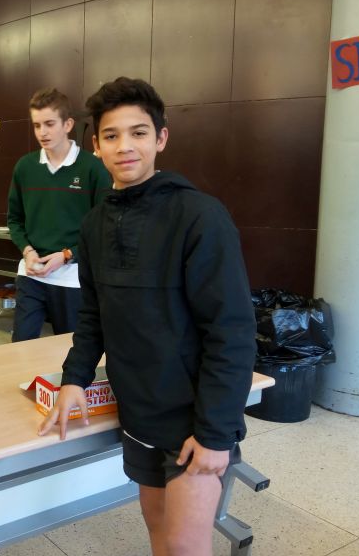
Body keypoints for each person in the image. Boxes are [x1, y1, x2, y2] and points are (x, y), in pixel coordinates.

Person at [38, 77, 257, 556]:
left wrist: (216, 432)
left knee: (185, 546)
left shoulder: (199, 216)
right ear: (96, 146)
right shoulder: (95, 224)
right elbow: (92, 313)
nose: (125, 146)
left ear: (161, 138)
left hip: (193, 418)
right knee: (158, 530)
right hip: (138, 411)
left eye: (138, 133)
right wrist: (74, 379)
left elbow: (232, 331)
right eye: (111, 135)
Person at [7, 88, 111, 342]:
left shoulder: (92, 168)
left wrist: (67, 255)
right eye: (37, 125)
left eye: (49, 124)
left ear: (68, 124)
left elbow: (104, 228)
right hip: (31, 274)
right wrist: (27, 251)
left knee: (69, 348)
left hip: (72, 278)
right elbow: (15, 219)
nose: (42, 132)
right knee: (21, 346)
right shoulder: (25, 167)